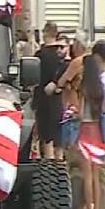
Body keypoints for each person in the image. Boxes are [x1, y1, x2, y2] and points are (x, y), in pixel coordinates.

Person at [75, 42, 105, 209]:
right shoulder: (100, 88)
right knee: (96, 172)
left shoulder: (84, 89)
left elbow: (77, 113)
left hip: (85, 130)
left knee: (87, 174)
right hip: (98, 131)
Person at [33, 22, 65, 161]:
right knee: (57, 136)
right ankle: (59, 164)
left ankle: (48, 164)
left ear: (45, 33)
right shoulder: (62, 55)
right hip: (58, 99)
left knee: (45, 137)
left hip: (43, 99)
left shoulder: (40, 55)